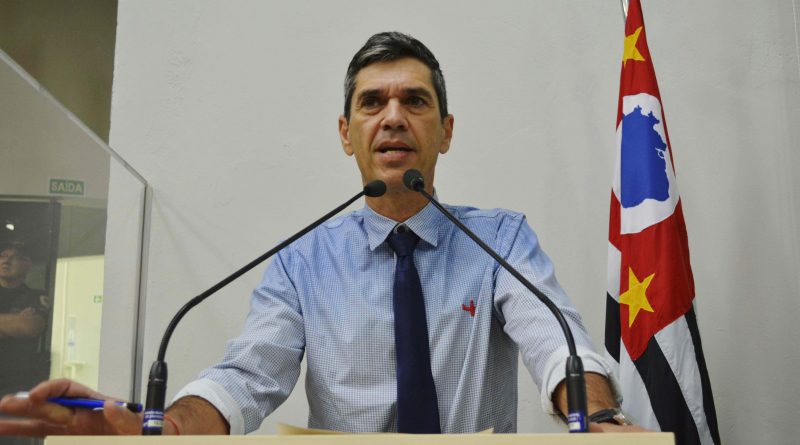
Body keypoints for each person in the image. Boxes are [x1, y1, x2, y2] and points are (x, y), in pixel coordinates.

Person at [0, 32, 644, 437]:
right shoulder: (302, 262)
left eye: (415, 101)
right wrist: (162, 429)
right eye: (372, 102)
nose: (393, 117)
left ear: (446, 131)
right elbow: (246, 376)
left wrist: (596, 416)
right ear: (346, 134)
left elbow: (558, 343)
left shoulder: (499, 239)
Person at [0, 243, 50, 445]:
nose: (6, 260)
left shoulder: (35, 296)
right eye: (3, 255)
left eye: (14, 257)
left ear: (27, 265)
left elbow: (28, 326)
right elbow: (17, 325)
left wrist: (18, 324)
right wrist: (11, 322)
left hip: (14, 391)